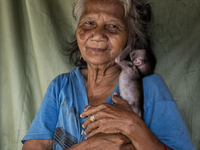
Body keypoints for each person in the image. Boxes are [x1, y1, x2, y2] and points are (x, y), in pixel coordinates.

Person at [21, 0, 196, 149]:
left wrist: (133, 125)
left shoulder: (148, 86)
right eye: (89, 23)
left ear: (131, 39)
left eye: (113, 26)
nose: (97, 35)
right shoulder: (61, 86)